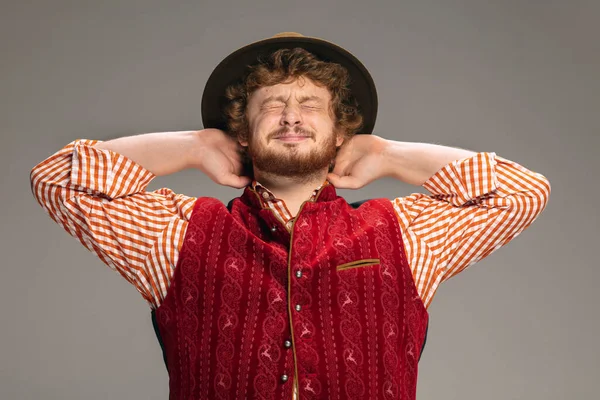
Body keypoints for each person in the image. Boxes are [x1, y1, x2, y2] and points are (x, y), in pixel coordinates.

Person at [30, 32, 550, 400]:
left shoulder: (408, 233)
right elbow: (57, 178)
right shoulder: (175, 233)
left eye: (311, 104)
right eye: (272, 104)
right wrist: (191, 146)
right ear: (242, 130)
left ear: (341, 130)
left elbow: (522, 192)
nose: (292, 116)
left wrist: (390, 156)